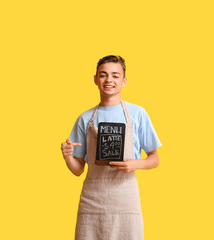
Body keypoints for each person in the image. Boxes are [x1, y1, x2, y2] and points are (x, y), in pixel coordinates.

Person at [60, 55, 162, 240]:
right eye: (103, 75)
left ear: (123, 81)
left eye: (115, 75)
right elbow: (78, 170)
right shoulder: (85, 118)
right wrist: (68, 156)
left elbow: (155, 158)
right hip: (92, 201)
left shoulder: (138, 113)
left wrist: (136, 164)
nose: (109, 80)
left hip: (126, 199)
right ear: (95, 79)